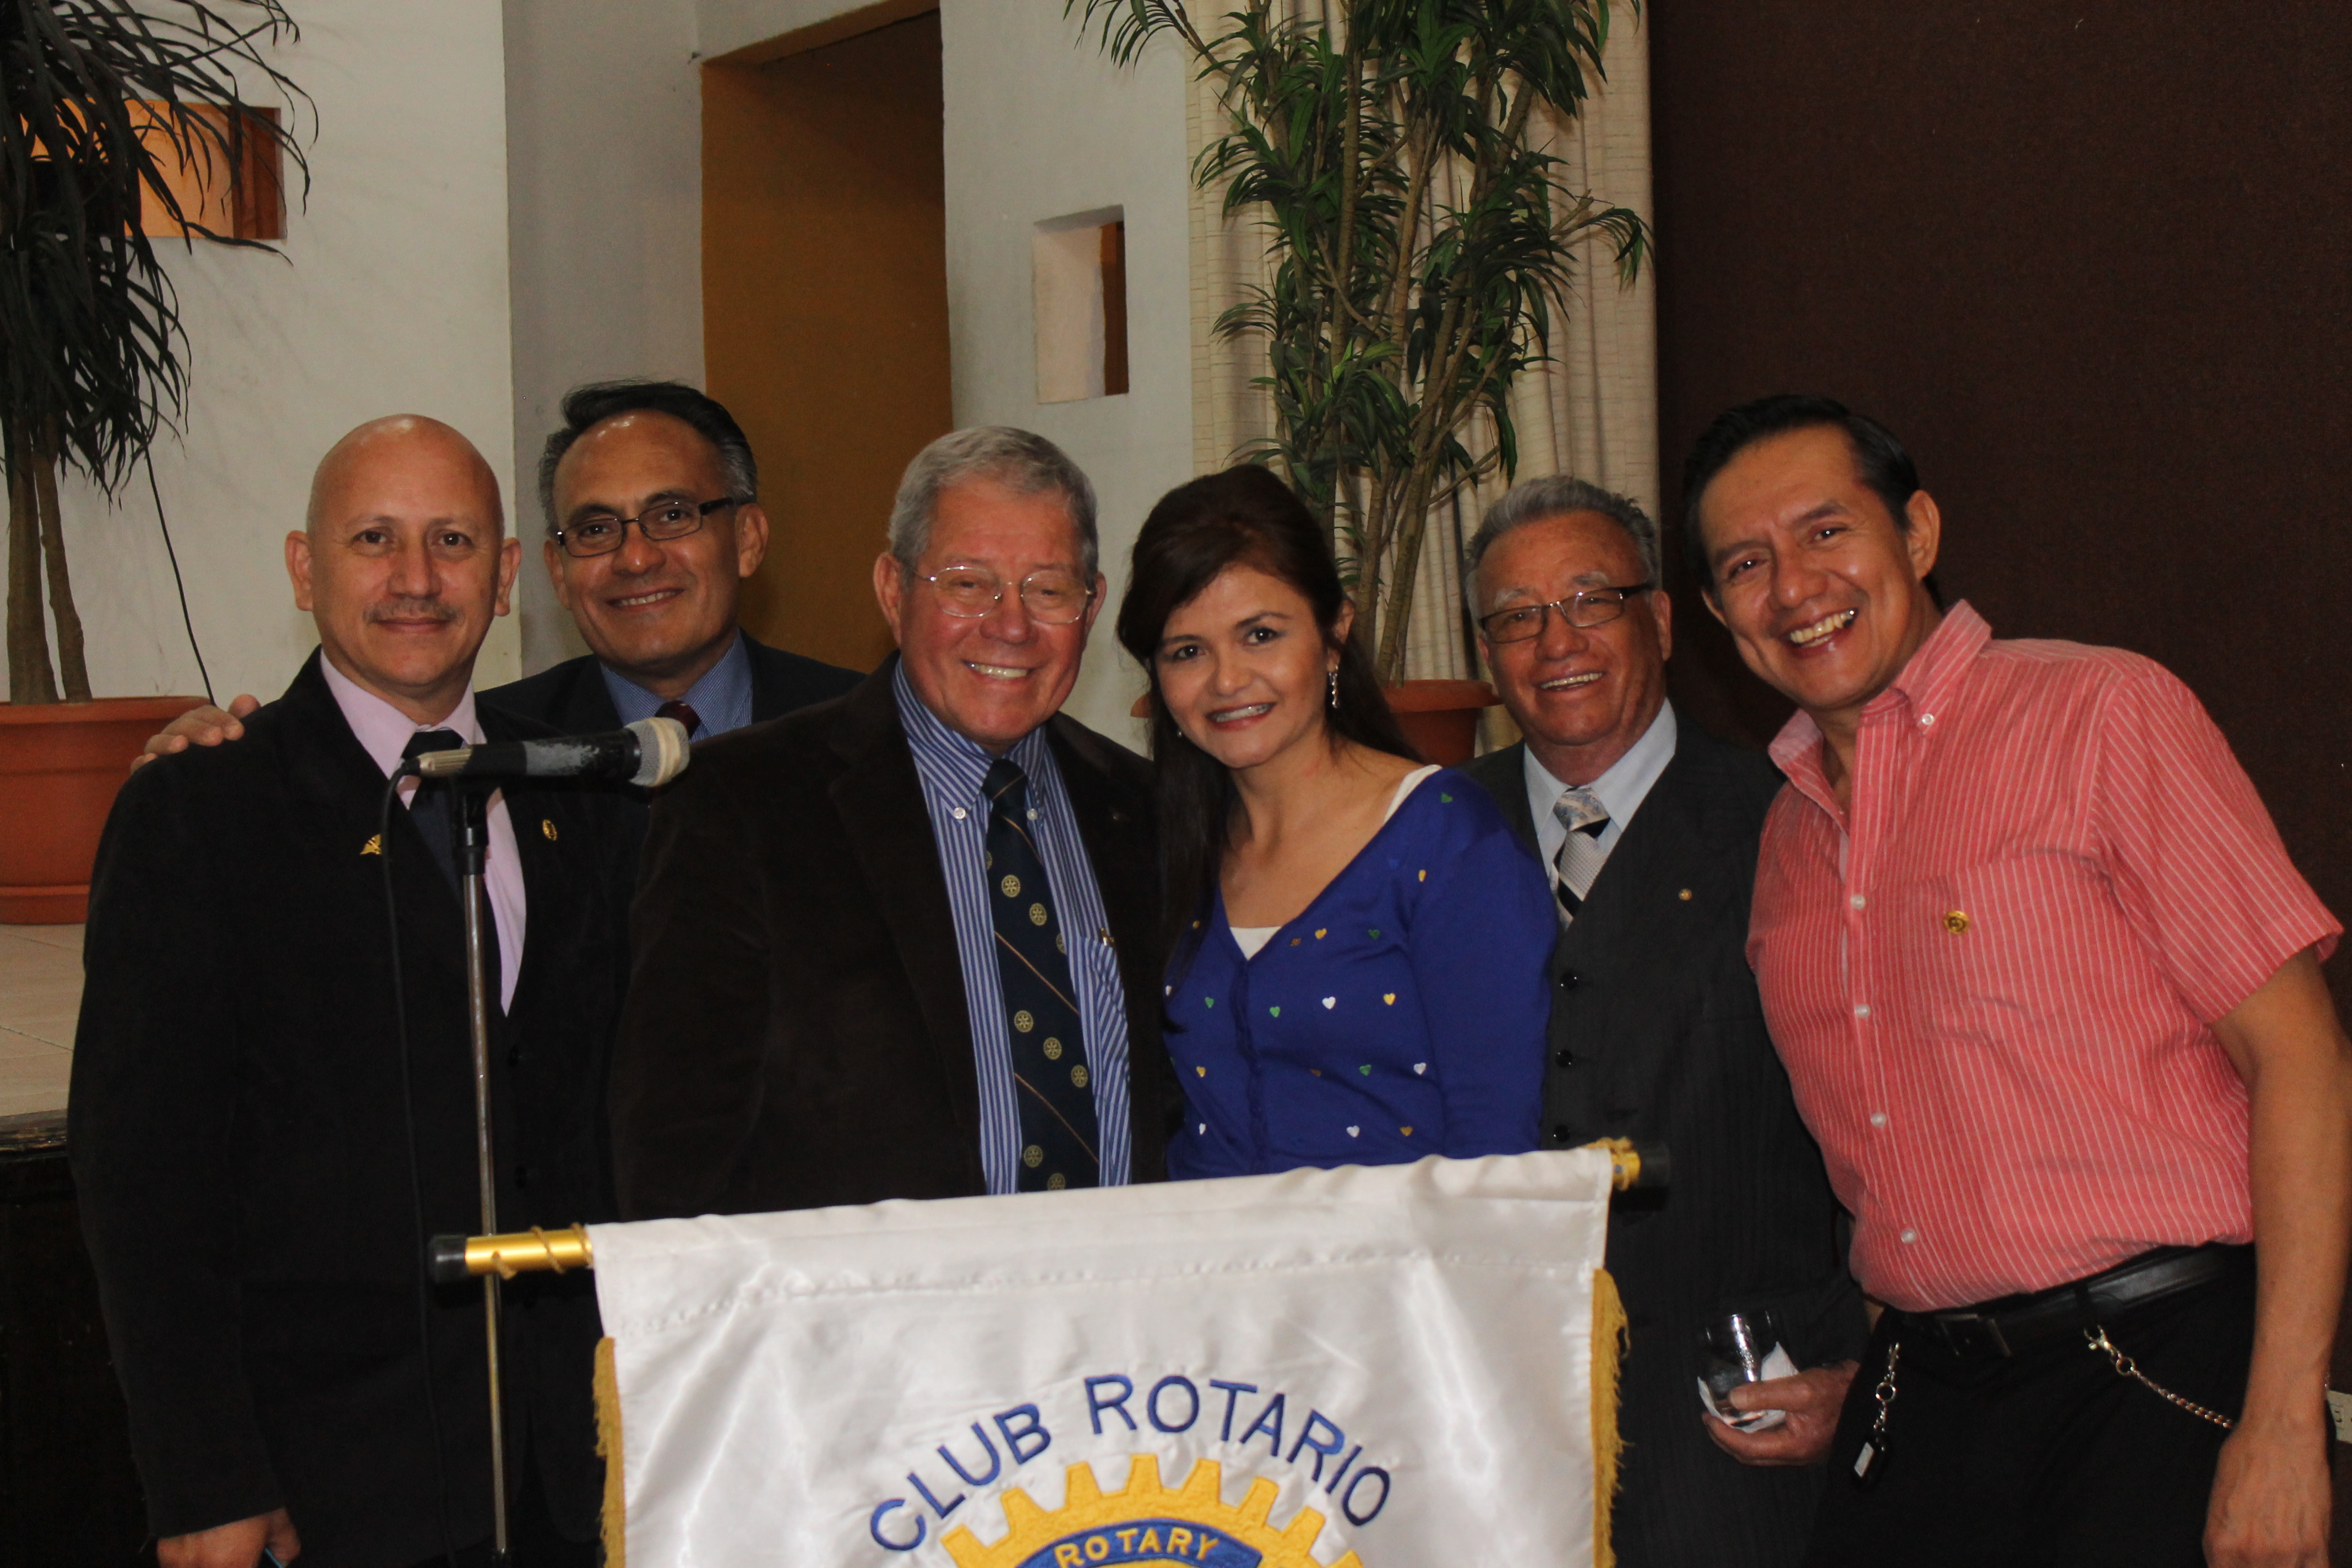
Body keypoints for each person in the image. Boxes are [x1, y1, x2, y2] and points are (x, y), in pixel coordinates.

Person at [1686, 394, 2350, 1567]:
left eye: (1827, 530)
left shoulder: (2100, 714)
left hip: (2156, 1367)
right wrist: (1874, 1373)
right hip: (1925, 1397)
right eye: (1748, 561)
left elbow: (2301, 1055)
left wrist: (2287, 1417)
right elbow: (1892, 1161)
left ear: (1921, 533)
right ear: (1716, 613)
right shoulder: (1787, 841)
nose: (1793, 585)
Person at [71, 417, 639, 1567]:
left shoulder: (583, 786)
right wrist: (206, 1476)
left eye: (453, 539)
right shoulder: (202, 809)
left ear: (507, 574)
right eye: (375, 538)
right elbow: (146, 1180)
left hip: (575, 1468)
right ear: (303, 566)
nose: (417, 579)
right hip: (331, 1481)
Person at [1456, 474, 1867, 1568]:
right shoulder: (1426, 832)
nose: (1558, 642)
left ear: (1664, 617)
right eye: (1516, 617)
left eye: (1593, 599)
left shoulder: (1797, 818)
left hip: (1734, 1436)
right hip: (1480, 1442)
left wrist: (1865, 1368)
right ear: (1487, 654)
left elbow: (1910, 1117)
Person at [610, 427, 1177, 1217]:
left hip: (1126, 1313)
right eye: (967, 583)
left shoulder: (1145, 810)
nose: (1010, 625)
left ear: (1093, 606)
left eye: (1047, 589)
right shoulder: (739, 807)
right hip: (864, 1329)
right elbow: (675, 1152)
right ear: (892, 589)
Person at [1114, 465, 1552, 1175]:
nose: (1227, 680)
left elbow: (1496, 1151)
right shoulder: (1171, 848)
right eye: (1187, 651)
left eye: (1260, 634)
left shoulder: (1443, 837)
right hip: (1215, 1276)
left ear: (1334, 632)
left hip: (1401, 1277)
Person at [136, 379, 859, 763]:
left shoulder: (872, 730)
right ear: (552, 568)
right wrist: (209, 768)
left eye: (672, 516)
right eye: (596, 528)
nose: (636, 558)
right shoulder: (488, 753)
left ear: (749, 539)